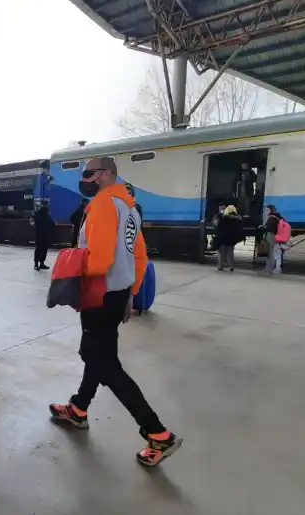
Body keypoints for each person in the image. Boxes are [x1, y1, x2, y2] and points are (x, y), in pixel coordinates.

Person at [49, 156, 182, 467]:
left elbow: (99, 259)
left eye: (89, 173)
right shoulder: (129, 208)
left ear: (106, 174)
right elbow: (139, 256)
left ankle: (158, 433)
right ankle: (79, 408)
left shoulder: (104, 205)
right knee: (97, 353)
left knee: (104, 363)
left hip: (99, 292)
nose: (85, 179)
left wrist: (74, 271)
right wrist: (131, 294)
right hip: (117, 293)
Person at [215, 205, 244, 271]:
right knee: (230, 253)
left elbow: (218, 227)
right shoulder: (238, 218)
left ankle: (220, 266)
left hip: (223, 238)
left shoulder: (223, 217)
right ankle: (231, 267)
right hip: (232, 238)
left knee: (221, 253)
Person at [31, 200, 56, 271]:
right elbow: (31, 220)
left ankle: (41, 263)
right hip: (39, 234)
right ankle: (36, 264)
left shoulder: (47, 214)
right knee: (39, 249)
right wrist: (33, 224)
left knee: (44, 249)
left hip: (45, 234)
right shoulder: (37, 213)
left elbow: (51, 223)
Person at [262, 204, 285, 274]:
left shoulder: (272, 218)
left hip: (272, 237)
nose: (265, 211)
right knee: (276, 253)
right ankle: (275, 268)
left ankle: (270, 269)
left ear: (269, 210)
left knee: (271, 254)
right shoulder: (278, 217)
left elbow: (270, 229)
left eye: (266, 210)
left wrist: (264, 226)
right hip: (277, 237)